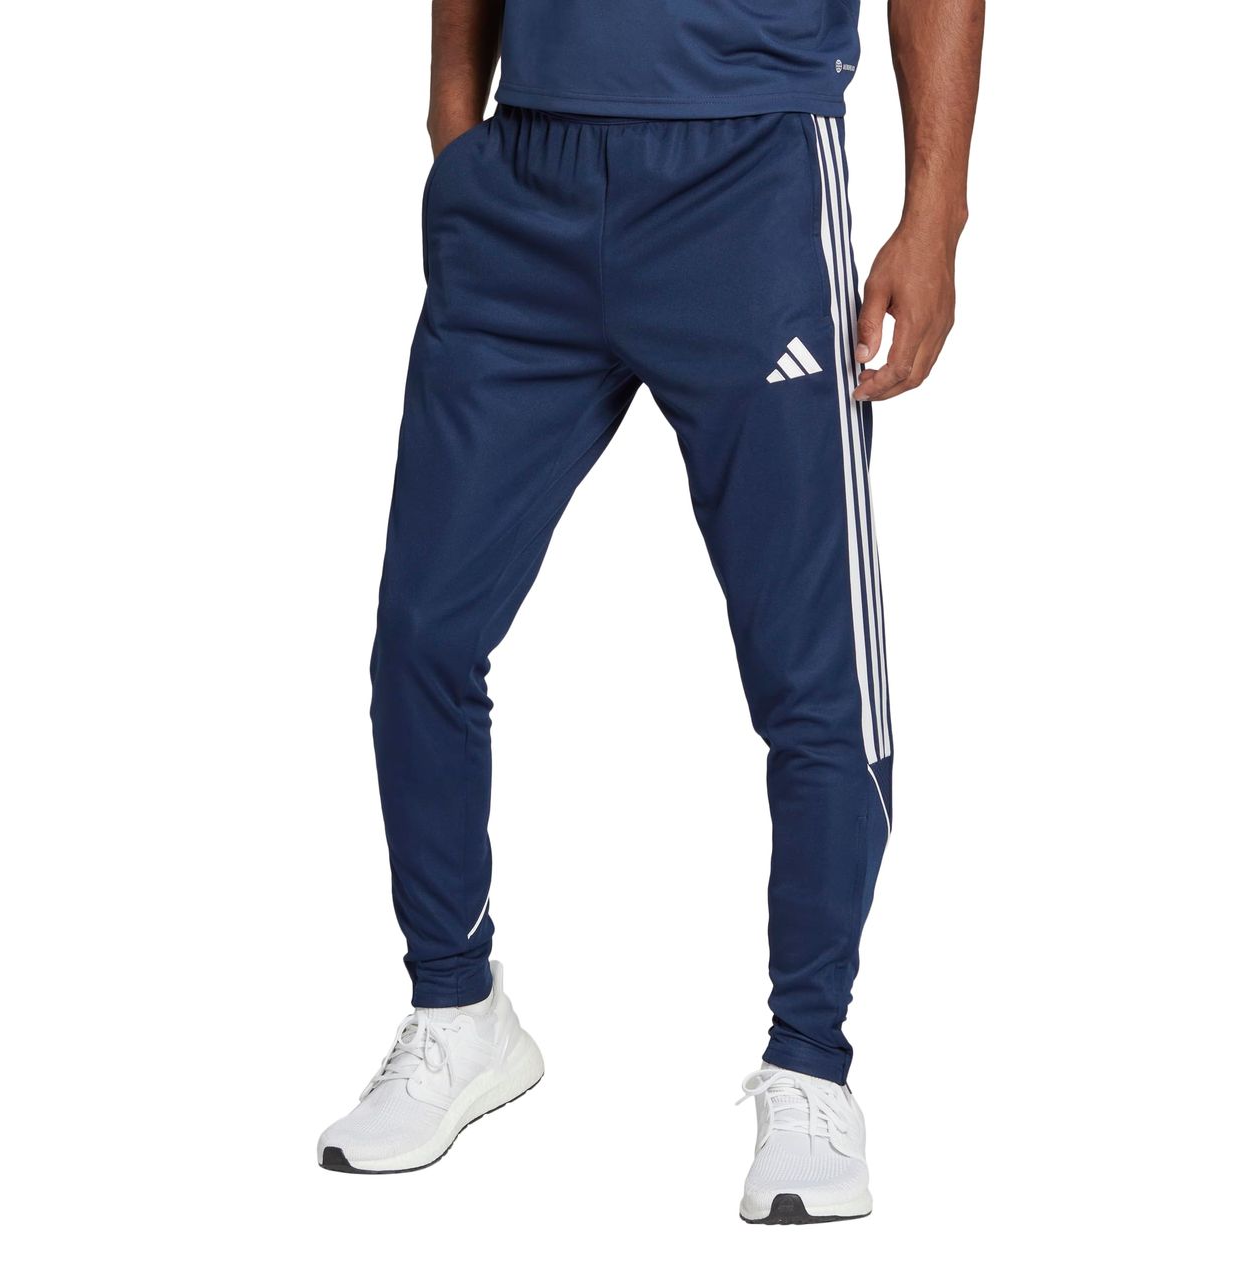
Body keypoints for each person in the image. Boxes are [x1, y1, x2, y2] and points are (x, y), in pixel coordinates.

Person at [318, 0, 983, 1223]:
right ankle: (457, 1006)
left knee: (811, 669)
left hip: (747, 179)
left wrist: (932, 211)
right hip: (523, 184)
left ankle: (809, 1062)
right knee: (422, 632)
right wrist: (454, 125)